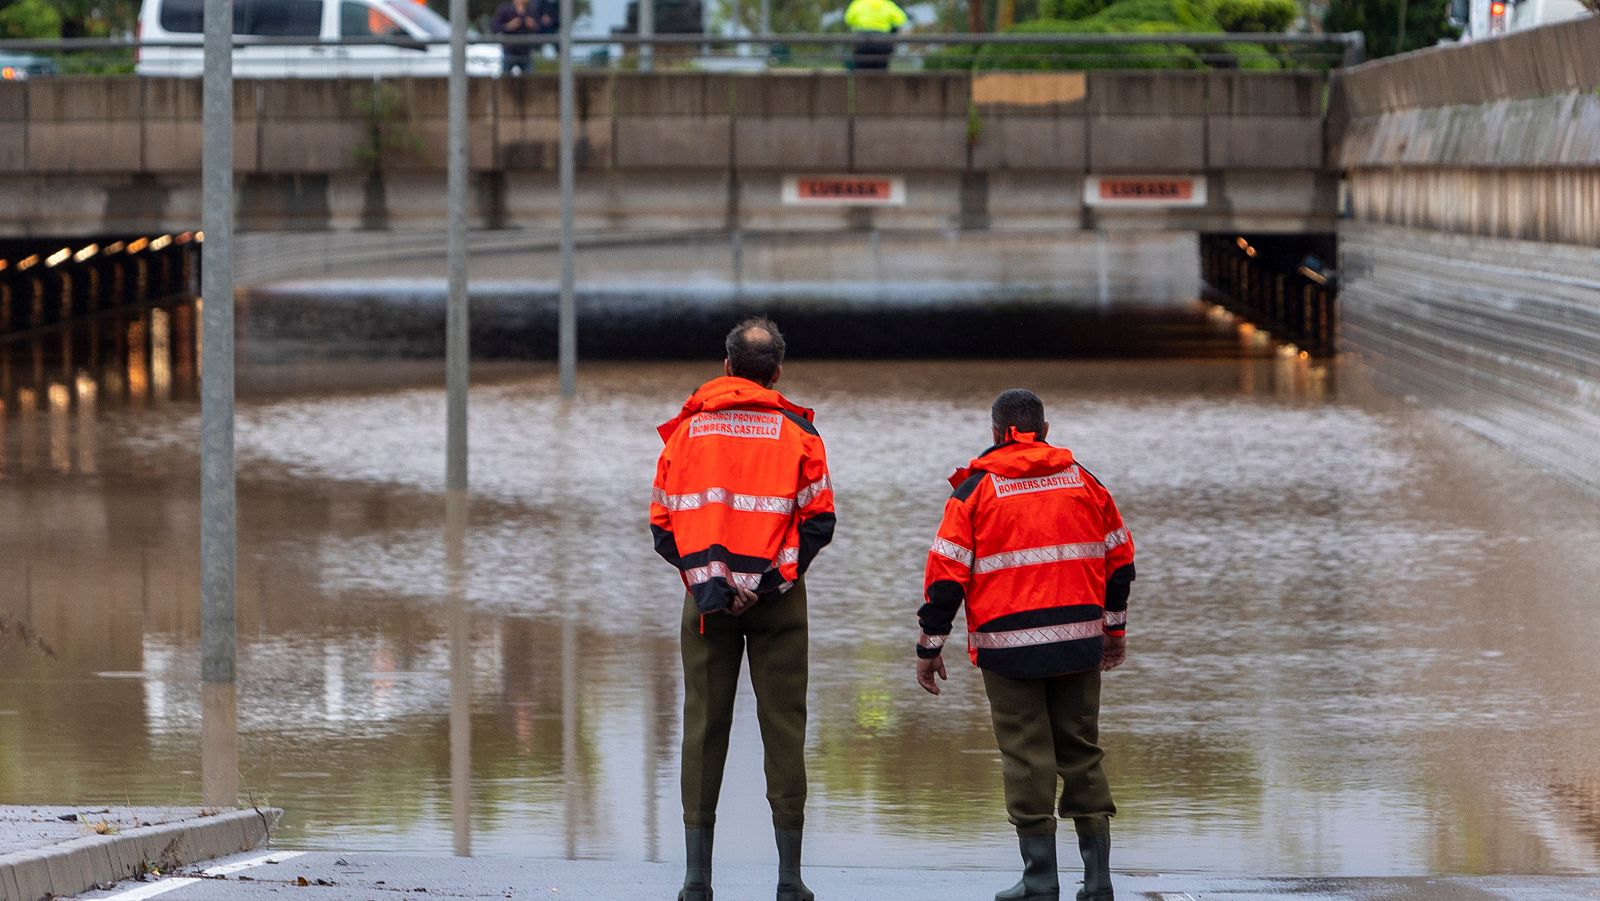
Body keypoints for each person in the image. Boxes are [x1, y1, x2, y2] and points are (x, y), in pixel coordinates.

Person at [915, 389, 1136, 901]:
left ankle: (1040, 880)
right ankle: (1098, 880)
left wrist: (930, 646)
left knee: (1026, 755)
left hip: (1009, 649)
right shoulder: (1085, 482)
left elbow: (945, 578)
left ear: (996, 433)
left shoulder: (973, 492)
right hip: (1079, 643)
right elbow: (1120, 563)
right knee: (1081, 750)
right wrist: (1114, 632)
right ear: (1046, 427)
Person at [650, 317, 836, 901]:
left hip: (706, 604)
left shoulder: (687, 433)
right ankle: (789, 880)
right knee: (784, 726)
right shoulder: (799, 433)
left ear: (727, 367)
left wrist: (711, 584)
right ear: (775, 372)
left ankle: (696, 881)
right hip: (778, 601)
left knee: (704, 727)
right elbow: (819, 522)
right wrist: (769, 582)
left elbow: (662, 524)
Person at [490, 0, 555, 74]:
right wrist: (508, 26)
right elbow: (494, 27)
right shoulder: (505, 9)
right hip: (509, 51)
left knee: (530, 80)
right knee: (506, 79)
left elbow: (542, 28)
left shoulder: (532, 10)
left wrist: (533, 25)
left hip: (526, 52)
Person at [843, 0, 906, 70]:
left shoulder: (858, 3)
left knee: (862, 68)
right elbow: (901, 19)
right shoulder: (887, 4)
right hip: (882, 42)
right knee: (881, 69)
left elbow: (848, 19)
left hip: (862, 43)